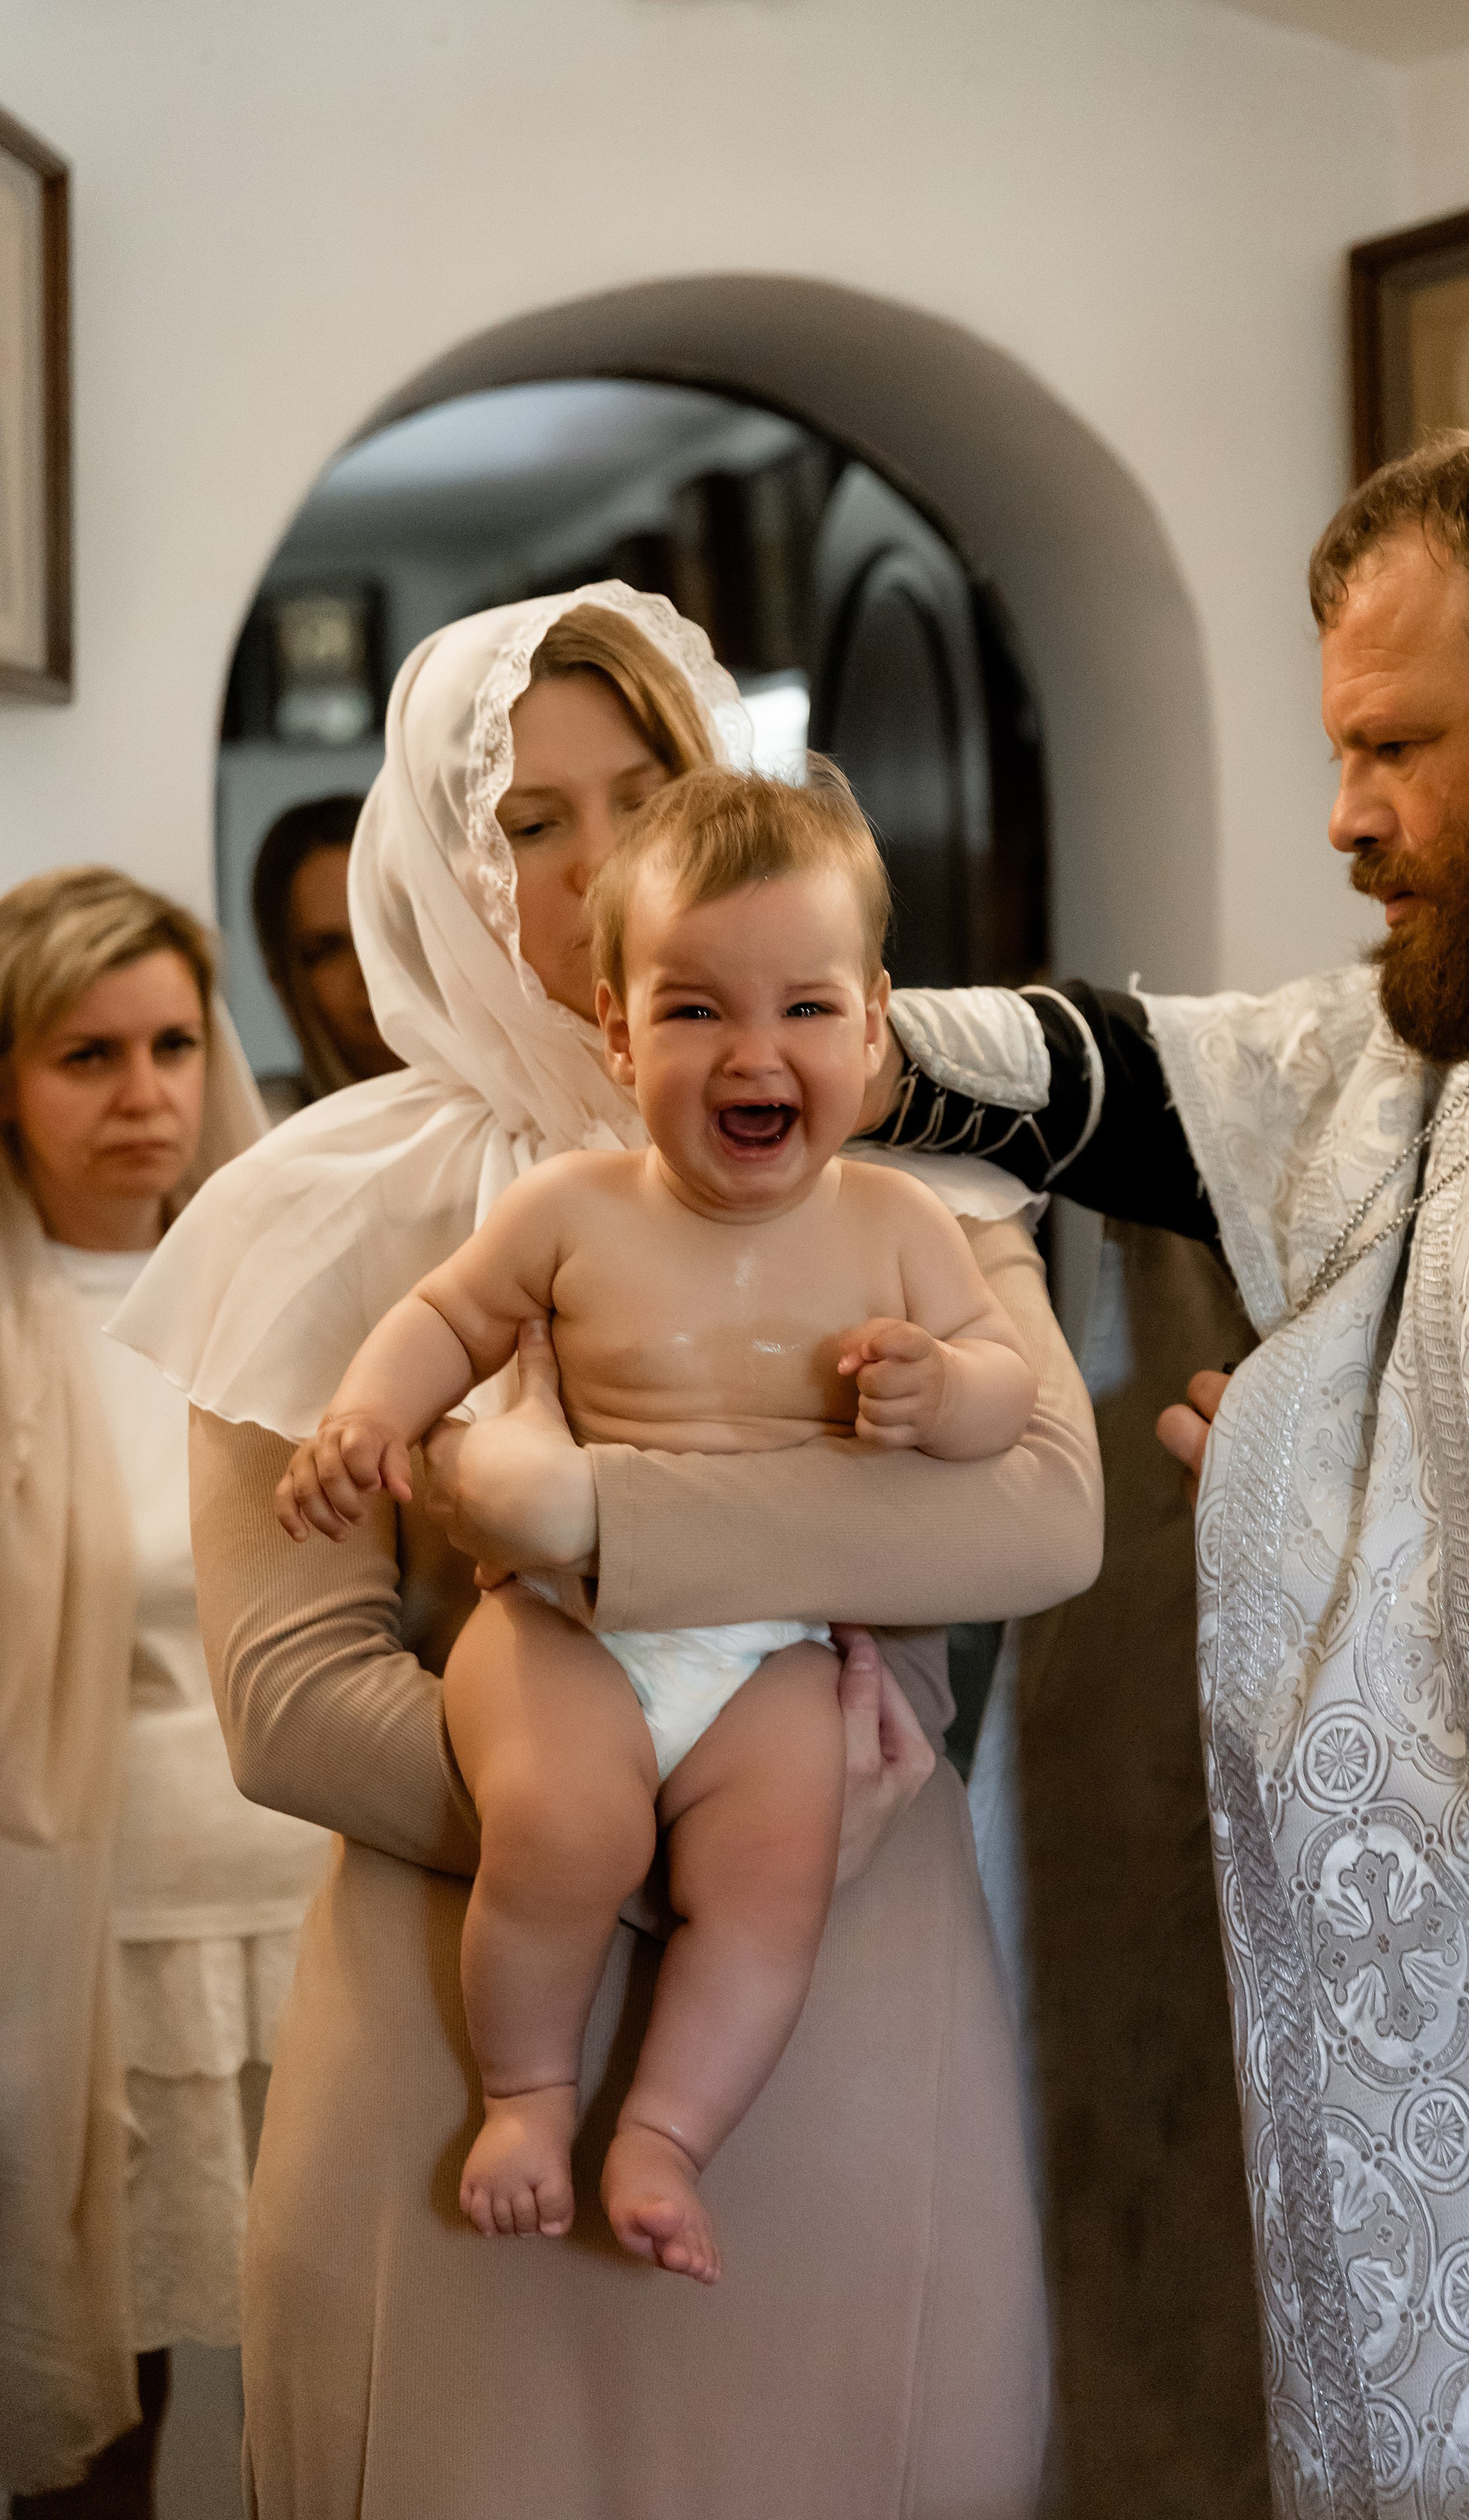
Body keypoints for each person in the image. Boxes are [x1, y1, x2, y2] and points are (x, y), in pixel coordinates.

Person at [865, 424, 1469, 2514]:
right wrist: (838, 1041)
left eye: (1391, 744)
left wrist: (1303, 1456)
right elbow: (1205, 1082)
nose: (1344, 815)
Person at [114, 584, 1103, 2519]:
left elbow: (1037, 1513)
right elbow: (293, 1700)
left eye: (639, 789)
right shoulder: (308, 1216)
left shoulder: (898, 1173)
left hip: (842, 1967)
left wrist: (601, 1533)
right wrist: (627, 1818)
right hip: (467, 2015)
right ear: (433, 861)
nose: (590, 871)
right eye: (526, 822)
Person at [278, 762, 1040, 2274]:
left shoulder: (899, 1224)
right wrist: (367, 1412)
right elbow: (448, 1317)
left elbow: (1011, 1391)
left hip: (768, 1655)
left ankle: (668, 2131)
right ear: (618, 1033)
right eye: (693, 1011)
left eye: (804, 1010)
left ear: (873, 1022)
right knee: (564, 1823)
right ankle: (527, 2091)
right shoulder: (573, 1208)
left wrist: (940, 1392)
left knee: (772, 1880)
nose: (753, 1051)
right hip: (563, 1627)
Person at [0, 867, 324, 2513]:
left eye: (173, 1045)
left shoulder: (282, 1294)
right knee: (90, 2404)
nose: (145, 1096)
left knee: (342, 2376)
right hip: (81, 1930)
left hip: (307, 1891)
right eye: (85, 1054)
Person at [249, 793, 402, 1111]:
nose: (367, 970)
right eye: (328, 951)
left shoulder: (519, 1117)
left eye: (385, 930)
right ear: (281, 976)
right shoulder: (258, 1135)